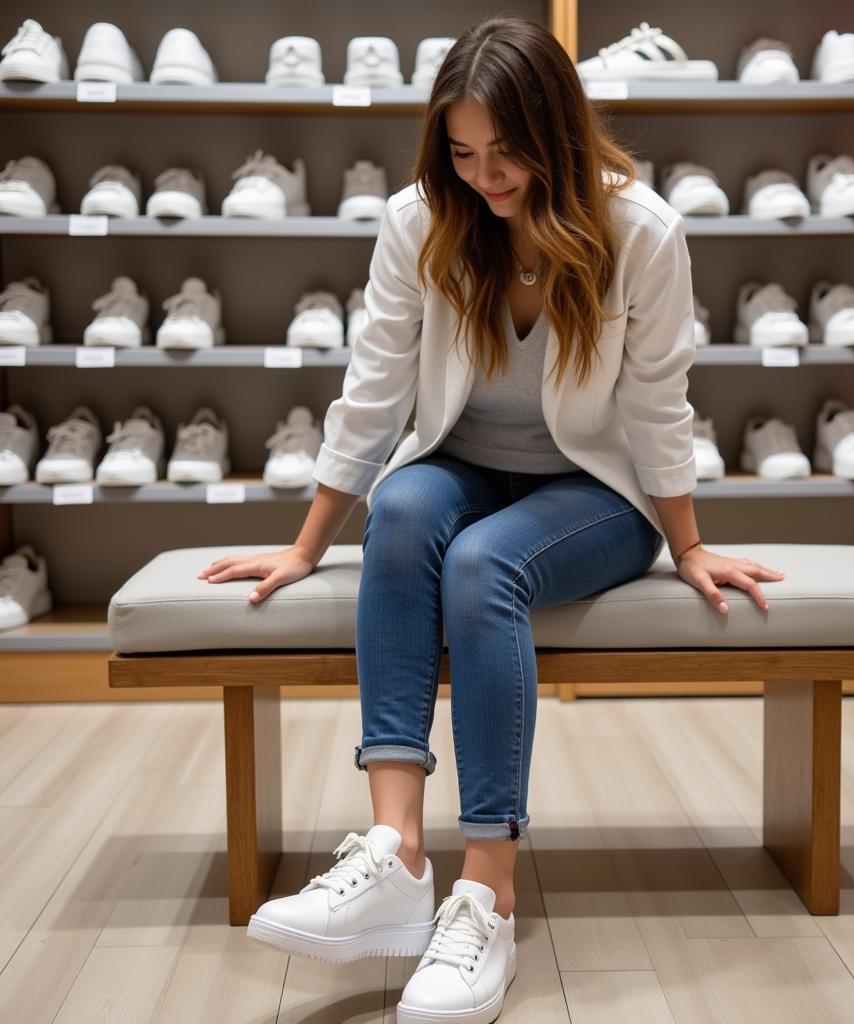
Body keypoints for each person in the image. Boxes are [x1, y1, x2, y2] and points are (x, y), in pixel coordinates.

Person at [198, 14, 784, 1023]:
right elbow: (373, 393)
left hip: (594, 492)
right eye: (462, 154)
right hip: (462, 467)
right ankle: (392, 854)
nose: (484, 176)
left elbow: (657, 404)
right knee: (404, 507)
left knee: (481, 565)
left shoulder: (640, 232)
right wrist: (305, 545)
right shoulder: (421, 223)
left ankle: (489, 896)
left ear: (555, 132)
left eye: (504, 153)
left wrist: (687, 543)